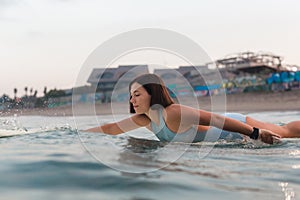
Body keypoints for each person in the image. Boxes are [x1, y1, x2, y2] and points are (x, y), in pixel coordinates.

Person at [85, 73, 300, 144]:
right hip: (228, 138)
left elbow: (216, 119)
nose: (132, 100)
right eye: (130, 95)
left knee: (286, 133)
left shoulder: (173, 112)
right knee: (283, 129)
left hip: (235, 125)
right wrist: (74, 134)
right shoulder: (146, 119)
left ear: (153, 94)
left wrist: (255, 133)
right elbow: (112, 129)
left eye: (138, 94)